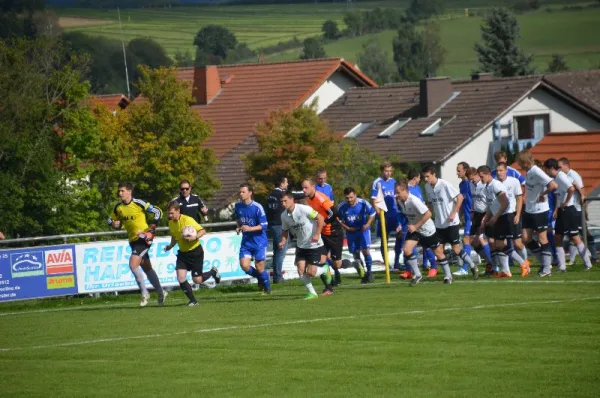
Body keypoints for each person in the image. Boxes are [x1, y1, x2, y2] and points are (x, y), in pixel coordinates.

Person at [108, 182, 167, 307]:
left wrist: (153, 228)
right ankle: (161, 292)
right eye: (119, 191)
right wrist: (114, 224)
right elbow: (110, 219)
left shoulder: (139, 203)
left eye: (122, 191)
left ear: (130, 191)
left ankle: (145, 293)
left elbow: (158, 211)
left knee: (133, 264)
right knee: (146, 267)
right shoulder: (118, 207)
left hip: (144, 238)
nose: (120, 193)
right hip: (133, 241)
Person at [422, 165, 478, 282]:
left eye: (428, 176)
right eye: (424, 177)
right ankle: (448, 276)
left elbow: (460, 197)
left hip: (451, 223)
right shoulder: (427, 187)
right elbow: (430, 203)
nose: (426, 179)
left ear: (433, 175)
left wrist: (454, 213)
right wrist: (428, 216)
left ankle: (472, 266)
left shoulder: (444, 185)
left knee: (456, 249)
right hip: (438, 224)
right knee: (438, 250)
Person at [395, 180, 452, 286]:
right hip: (415, 230)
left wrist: (415, 226)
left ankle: (448, 275)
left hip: (427, 230)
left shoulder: (414, 200)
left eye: (398, 192)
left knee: (438, 253)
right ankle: (417, 275)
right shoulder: (399, 201)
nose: (396, 195)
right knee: (407, 250)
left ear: (405, 190)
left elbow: (428, 214)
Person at [164, 201, 221, 306]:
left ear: (178, 211)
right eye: (169, 213)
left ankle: (213, 272)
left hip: (195, 252)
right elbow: (174, 236)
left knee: (197, 280)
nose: (170, 215)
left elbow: (202, 231)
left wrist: (194, 237)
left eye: (172, 213)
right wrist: (170, 246)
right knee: (181, 277)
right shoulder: (171, 223)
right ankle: (193, 301)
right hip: (182, 254)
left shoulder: (187, 220)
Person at [279, 192, 333, 299]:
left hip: (314, 245)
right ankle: (312, 293)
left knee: (312, 273)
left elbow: (321, 218)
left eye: (285, 201)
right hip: (301, 246)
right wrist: (283, 240)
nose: (283, 204)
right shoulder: (284, 216)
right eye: (281, 202)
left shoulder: (304, 209)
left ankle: (324, 269)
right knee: (300, 270)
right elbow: (285, 230)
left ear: (292, 200)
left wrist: (317, 234)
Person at [543, 158, 592, 271]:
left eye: (546, 170)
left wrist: (566, 202)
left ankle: (588, 264)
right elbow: (573, 183)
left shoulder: (560, 176)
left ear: (550, 169)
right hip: (561, 211)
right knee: (558, 237)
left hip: (568, 210)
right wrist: (557, 208)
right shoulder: (559, 176)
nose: (545, 172)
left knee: (575, 238)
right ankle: (562, 266)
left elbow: (571, 188)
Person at [515, 150, 558, 277]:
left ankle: (546, 268)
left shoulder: (536, 171)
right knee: (525, 238)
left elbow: (553, 185)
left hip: (540, 210)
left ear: (524, 161)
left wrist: (542, 195)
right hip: (529, 209)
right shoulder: (528, 172)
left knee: (542, 238)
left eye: (519, 162)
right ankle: (545, 262)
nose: (518, 165)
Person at [479, 165, 527, 278]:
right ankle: (506, 271)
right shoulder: (487, 187)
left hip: (506, 216)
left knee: (506, 243)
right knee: (498, 244)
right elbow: (491, 206)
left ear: (487, 174)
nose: (481, 179)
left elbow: (505, 203)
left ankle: (523, 264)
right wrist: (485, 220)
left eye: (482, 177)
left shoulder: (496, 185)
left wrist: (495, 217)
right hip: (499, 217)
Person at [303, 178, 343, 289]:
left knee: (337, 264)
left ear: (313, 187)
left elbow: (334, 213)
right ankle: (328, 287)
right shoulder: (308, 199)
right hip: (322, 234)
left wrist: (324, 222)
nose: (304, 190)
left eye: (306, 187)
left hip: (333, 232)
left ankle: (355, 264)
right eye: (303, 187)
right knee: (321, 261)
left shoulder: (320, 198)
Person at [234, 183, 271, 294]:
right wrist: (238, 227)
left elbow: (264, 225)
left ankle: (267, 288)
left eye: (243, 192)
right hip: (246, 242)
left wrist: (250, 229)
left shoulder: (257, 207)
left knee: (259, 267)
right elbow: (238, 220)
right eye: (240, 192)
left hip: (259, 241)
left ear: (250, 193)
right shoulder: (238, 206)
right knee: (245, 266)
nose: (241, 194)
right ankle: (261, 278)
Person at [495, 162, 531, 276]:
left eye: (501, 170)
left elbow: (519, 199)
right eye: (497, 171)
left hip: (512, 214)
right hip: (500, 216)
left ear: (506, 171)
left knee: (517, 243)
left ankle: (526, 264)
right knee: (501, 243)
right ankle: (506, 271)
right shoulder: (494, 183)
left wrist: (518, 214)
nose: (499, 173)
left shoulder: (514, 181)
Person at [337, 187, 376, 283]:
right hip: (351, 232)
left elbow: (373, 213)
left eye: (351, 197)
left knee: (366, 251)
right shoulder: (341, 206)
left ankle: (370, 272)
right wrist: (347, 228)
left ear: (355, 195)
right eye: (347, 198)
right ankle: (363, 275)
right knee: (356, 255)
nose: (349, 200)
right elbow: (338, 220)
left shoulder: (363, 203)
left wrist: (367, 224)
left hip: (363, 230)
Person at [371, 162, 402, 272]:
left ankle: (397, 262)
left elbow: (395, 199)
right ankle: (387, 264)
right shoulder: (377, 183)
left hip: (394, 214)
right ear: (382, 171)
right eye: (386, 171)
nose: (388, 173)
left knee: (400, 235)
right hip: (383, 216)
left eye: (390, 171)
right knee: (385, 239)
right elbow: (374, 200)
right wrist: (379, 214)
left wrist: (397, 211)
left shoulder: (393, 182)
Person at [407, 169, 438, 277]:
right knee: (409, 246)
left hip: (423, 221)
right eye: (420, 177)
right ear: (415, 178)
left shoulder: (418, 188)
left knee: (428, 245)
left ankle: (433, 267)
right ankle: (410, 270)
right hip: (412, 221)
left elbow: (423, 203)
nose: (422, 180)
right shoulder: (406, 190)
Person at [466, 167, 495, 273]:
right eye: (470, 179)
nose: (471, 181)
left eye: (473, 179)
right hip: (477, 214)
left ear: (478, 175)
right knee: (473, 241)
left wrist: (486, 216)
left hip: (487, 213)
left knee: (489, 240)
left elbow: (489, 202)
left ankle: (494, 265)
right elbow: (474, 200)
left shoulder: (485, 185)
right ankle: (489, 263)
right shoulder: (471, 184)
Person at [558, 157, 587, 264]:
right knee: (573, 234)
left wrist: (584, 204)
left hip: (576, 208)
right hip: (572, 208)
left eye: (560, 167)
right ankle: (572, 259)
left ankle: (591, 257)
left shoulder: (573, 174)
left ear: (566, 165)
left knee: (580, 234)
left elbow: (581, 189)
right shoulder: (563, 176)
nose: (559, 169)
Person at [266, 176, 289, 283]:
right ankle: (278, 277)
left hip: (272, 224)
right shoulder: (281, 194)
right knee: (281, 251)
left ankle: (276, 275)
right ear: (281, 183)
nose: (287, 184)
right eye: (286, 182)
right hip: (280, 224)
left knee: (276, 251)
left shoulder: (270, 195)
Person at [454, 161, 474, 276]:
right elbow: (462, 202)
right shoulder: (461, 185)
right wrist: (459, 215)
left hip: (473, 217)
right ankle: (493, 265)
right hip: (466, 218)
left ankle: (465, 268)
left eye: (459, 170)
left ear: (465, 170)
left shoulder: (470, 184)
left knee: (466, 240)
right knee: (477, 241)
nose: (457, 172)